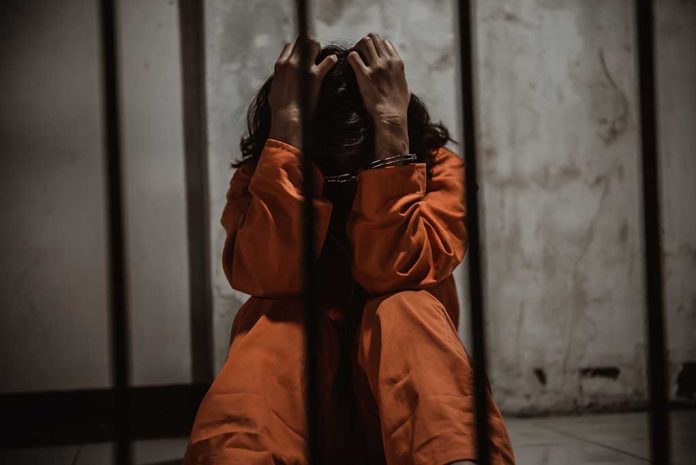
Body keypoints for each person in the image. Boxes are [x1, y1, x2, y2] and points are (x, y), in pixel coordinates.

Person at [183, 33, 515, 465]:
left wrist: (391, 137)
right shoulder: (259, 176)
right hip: (299, 432)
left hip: (404, 432)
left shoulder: (437, 170)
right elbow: (268, 276)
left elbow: (396, 269)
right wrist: (287, 137)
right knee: (276, 318)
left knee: (405, 306)